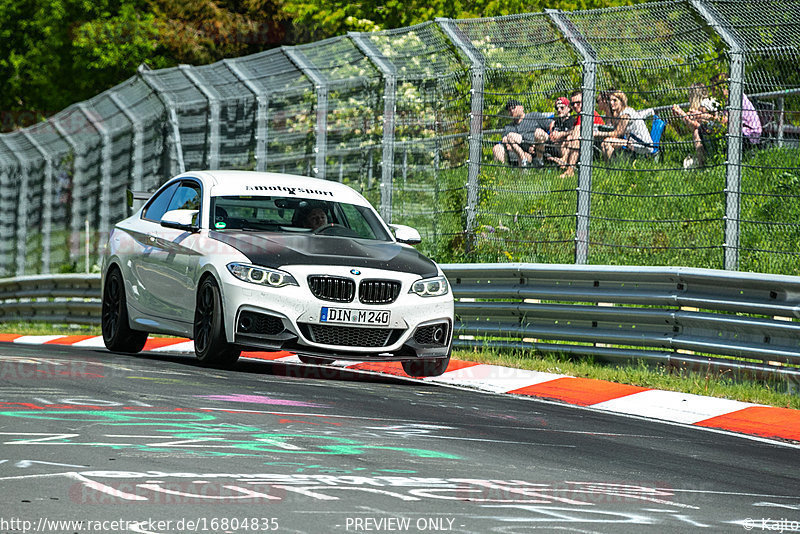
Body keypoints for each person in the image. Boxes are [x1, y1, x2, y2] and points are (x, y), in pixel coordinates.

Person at [557, 90, 606, 177]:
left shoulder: (587, 113)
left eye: (578, 103)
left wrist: (561, 134)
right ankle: (565, 163)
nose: (575, 106)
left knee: (575, 138)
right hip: (589, 141)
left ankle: (570, 169)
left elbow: (576, 131)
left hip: (598, 142)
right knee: (569, 138)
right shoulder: (579, 116)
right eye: (573, 104)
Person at [672, 83, 721, 168]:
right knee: (696, 131)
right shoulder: (696, 109)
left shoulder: (706, 104)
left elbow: (695, 125)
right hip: (708, 133)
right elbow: (692, 125)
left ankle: (702, 164)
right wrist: (682, 115)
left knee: (696, 132)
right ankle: (703, 162)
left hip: (715, 130)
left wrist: (682, 114)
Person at [492, 99, 551, 167]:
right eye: (509, 110)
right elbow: (506, 142)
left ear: (521, 108)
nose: (511, 111)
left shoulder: (533, 116)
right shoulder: (508, 127)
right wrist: (525, 150)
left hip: (538, 149)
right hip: (520, 154)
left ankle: (540, 162)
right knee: (497, 148)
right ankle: (502, 173)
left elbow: (551, 124)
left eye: (514, 107)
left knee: (539, 133)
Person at [596, 90, 653, 160]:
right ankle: (611, 168)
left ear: (621, 102)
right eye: (610, 100)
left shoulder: (626, 114)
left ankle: (612, 168)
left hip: (642, 144)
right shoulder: (621, 113)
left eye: (615, 100)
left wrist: (598, 133)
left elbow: (617, 133)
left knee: (607, 142)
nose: (611, 103)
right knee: (604, 144)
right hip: (632, 141)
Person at [711, 72, 762, 146]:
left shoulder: (736, 98)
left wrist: (709, 118)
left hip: (749, 133)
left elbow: (725, 121)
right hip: (738, 130)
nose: (713, 92)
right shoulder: (726, 101)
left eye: (714, 89)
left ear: (723, 87)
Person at [543, 97, 576, 165]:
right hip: (554, 145)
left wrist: (561, 134)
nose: (559, 110)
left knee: (569, 138)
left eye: (562, 107)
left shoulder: (572, 121)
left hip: (565, 146)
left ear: (569, 108)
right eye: (557, 108)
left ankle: (563, 161)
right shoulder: (555, 122)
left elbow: (575, 132)